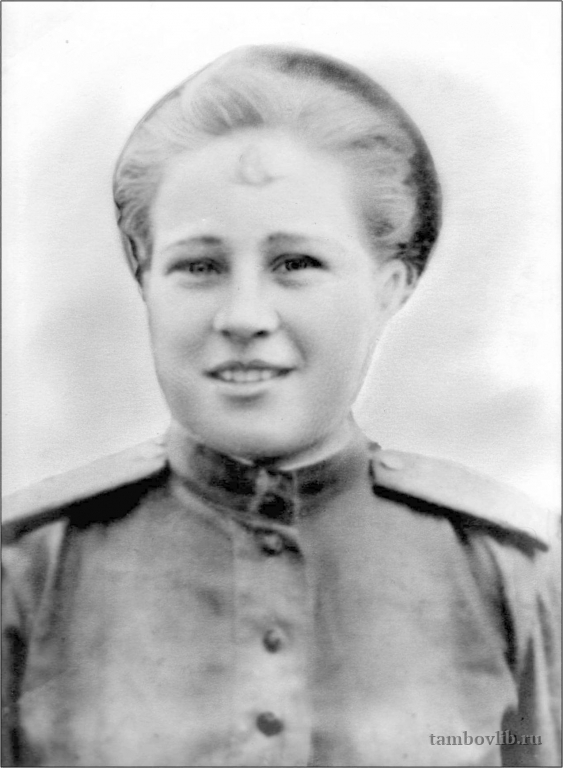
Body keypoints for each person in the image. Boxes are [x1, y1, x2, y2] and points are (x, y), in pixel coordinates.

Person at [2, 45, 560, 767]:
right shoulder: (29, 570)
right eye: (199, 266)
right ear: (145, 280)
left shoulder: (505, 573)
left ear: (389, 287)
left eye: (296, 263)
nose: (243, 315)